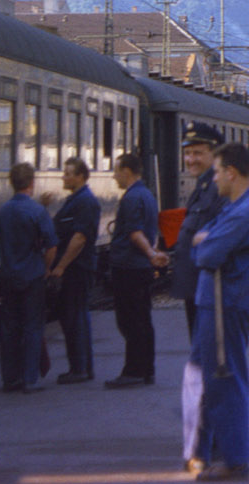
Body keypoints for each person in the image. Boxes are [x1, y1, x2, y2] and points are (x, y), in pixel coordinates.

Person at [190, 142, 249, 482]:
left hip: (227, 304)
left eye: (216, 172)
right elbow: (210, 240)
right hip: (222, 302)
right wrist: (207, 239)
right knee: (214, 379)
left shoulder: (244, 212)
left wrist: (205, 241)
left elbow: (207, 253)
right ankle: (210, 451)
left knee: (226, 379)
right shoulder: (242, 205)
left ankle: (235, 460)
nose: (213, 179)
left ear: (231, 173)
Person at [172, 123, 227, 474]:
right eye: (188, 152)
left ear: (214, 153)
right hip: (197, 290)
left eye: (198, 152)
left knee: (210, 367)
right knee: (205, 365)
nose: (191, 158)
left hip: (209, 291)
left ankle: (213, 440)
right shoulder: (202, 187)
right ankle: (210, 437)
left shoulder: (217, 188)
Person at [105, 153, 169, 388]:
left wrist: (151, 255)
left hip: (128, 266)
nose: (114, 175)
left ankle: (133, 370)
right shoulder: (148, 195)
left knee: (129, 320)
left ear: (127, 171)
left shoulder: (131, 198)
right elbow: (149, 232)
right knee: (143, 319)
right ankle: (146, 369)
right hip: (139, 267)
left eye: (116, 170)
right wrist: (152, 253)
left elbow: (134, 233)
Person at [0, 162, 57, 393]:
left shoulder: (3, 212)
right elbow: (51, 245)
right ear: (32, 183)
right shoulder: (37, 211)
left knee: (10, 328)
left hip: (8, 275)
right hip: (32, 276)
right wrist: (47, 269)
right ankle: (30, 378)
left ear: (12, 183)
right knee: (32, 326)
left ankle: (10, 378)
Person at [48, 156, 100, 384]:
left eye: (68, 173)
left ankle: (79, 369)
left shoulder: (85, 202)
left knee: (74, 318)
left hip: (76, 269)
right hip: (75, 268)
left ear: (80, 176)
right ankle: (80, 367)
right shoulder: (75, 201)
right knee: (73, 316)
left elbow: (79, 238)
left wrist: (60, 266)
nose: (63, 176)